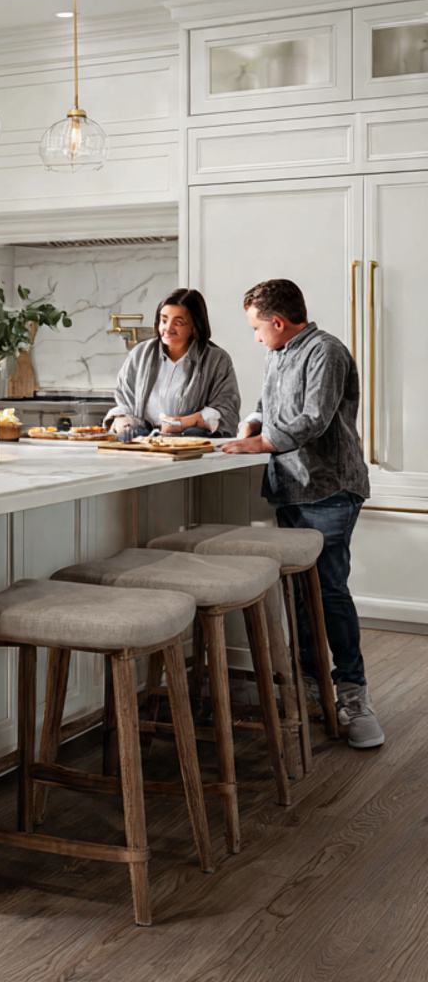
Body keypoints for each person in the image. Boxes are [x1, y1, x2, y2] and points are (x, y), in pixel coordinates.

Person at [221, 278, 382, 749]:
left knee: (327, 591)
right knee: (299, 593)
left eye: (256, 328)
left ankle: (354, 697)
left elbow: (313, 417)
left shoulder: (326, 352)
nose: (255, 337)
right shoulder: (278, 353)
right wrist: (251, 421)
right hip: (291, 490)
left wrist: (260, 441)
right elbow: (267, 406)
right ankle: (312, 688)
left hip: (330, 489)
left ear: (277, 321)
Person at [105, 288, 241, 441]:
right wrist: (122, 419)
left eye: (178, 322)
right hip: (142, 441)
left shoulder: (216, 359)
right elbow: (124, 399)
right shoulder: (140, 354)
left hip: (191, 443)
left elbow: (225, 410)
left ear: (194, 328)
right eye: (164, 320)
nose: (168, 329)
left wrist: (180, 424)